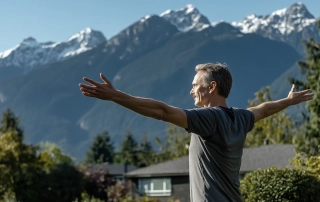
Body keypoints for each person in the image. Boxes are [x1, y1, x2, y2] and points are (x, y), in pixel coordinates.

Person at [79, 63, 314, 202]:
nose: (191, 90)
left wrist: (116, 96)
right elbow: (264, 109)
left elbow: (161, 111)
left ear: (212, 87)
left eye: (194, 85)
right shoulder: (241, 117)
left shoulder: (208, 118)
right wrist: (288, 101)